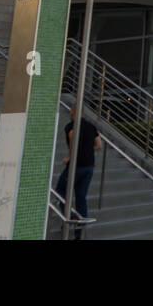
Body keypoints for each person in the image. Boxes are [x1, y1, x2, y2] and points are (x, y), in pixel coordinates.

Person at [55, 102, 101, 238]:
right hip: (89, 167)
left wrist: (69, 156)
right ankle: (79, 233)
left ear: (73, 113)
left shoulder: (70, 127)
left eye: (71, 111)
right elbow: (99, 145)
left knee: (60, 191)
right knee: (81, 196)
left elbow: (72, 141)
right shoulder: (91, 126)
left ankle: (70, 216)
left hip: (76, 166)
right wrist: (87, 150)